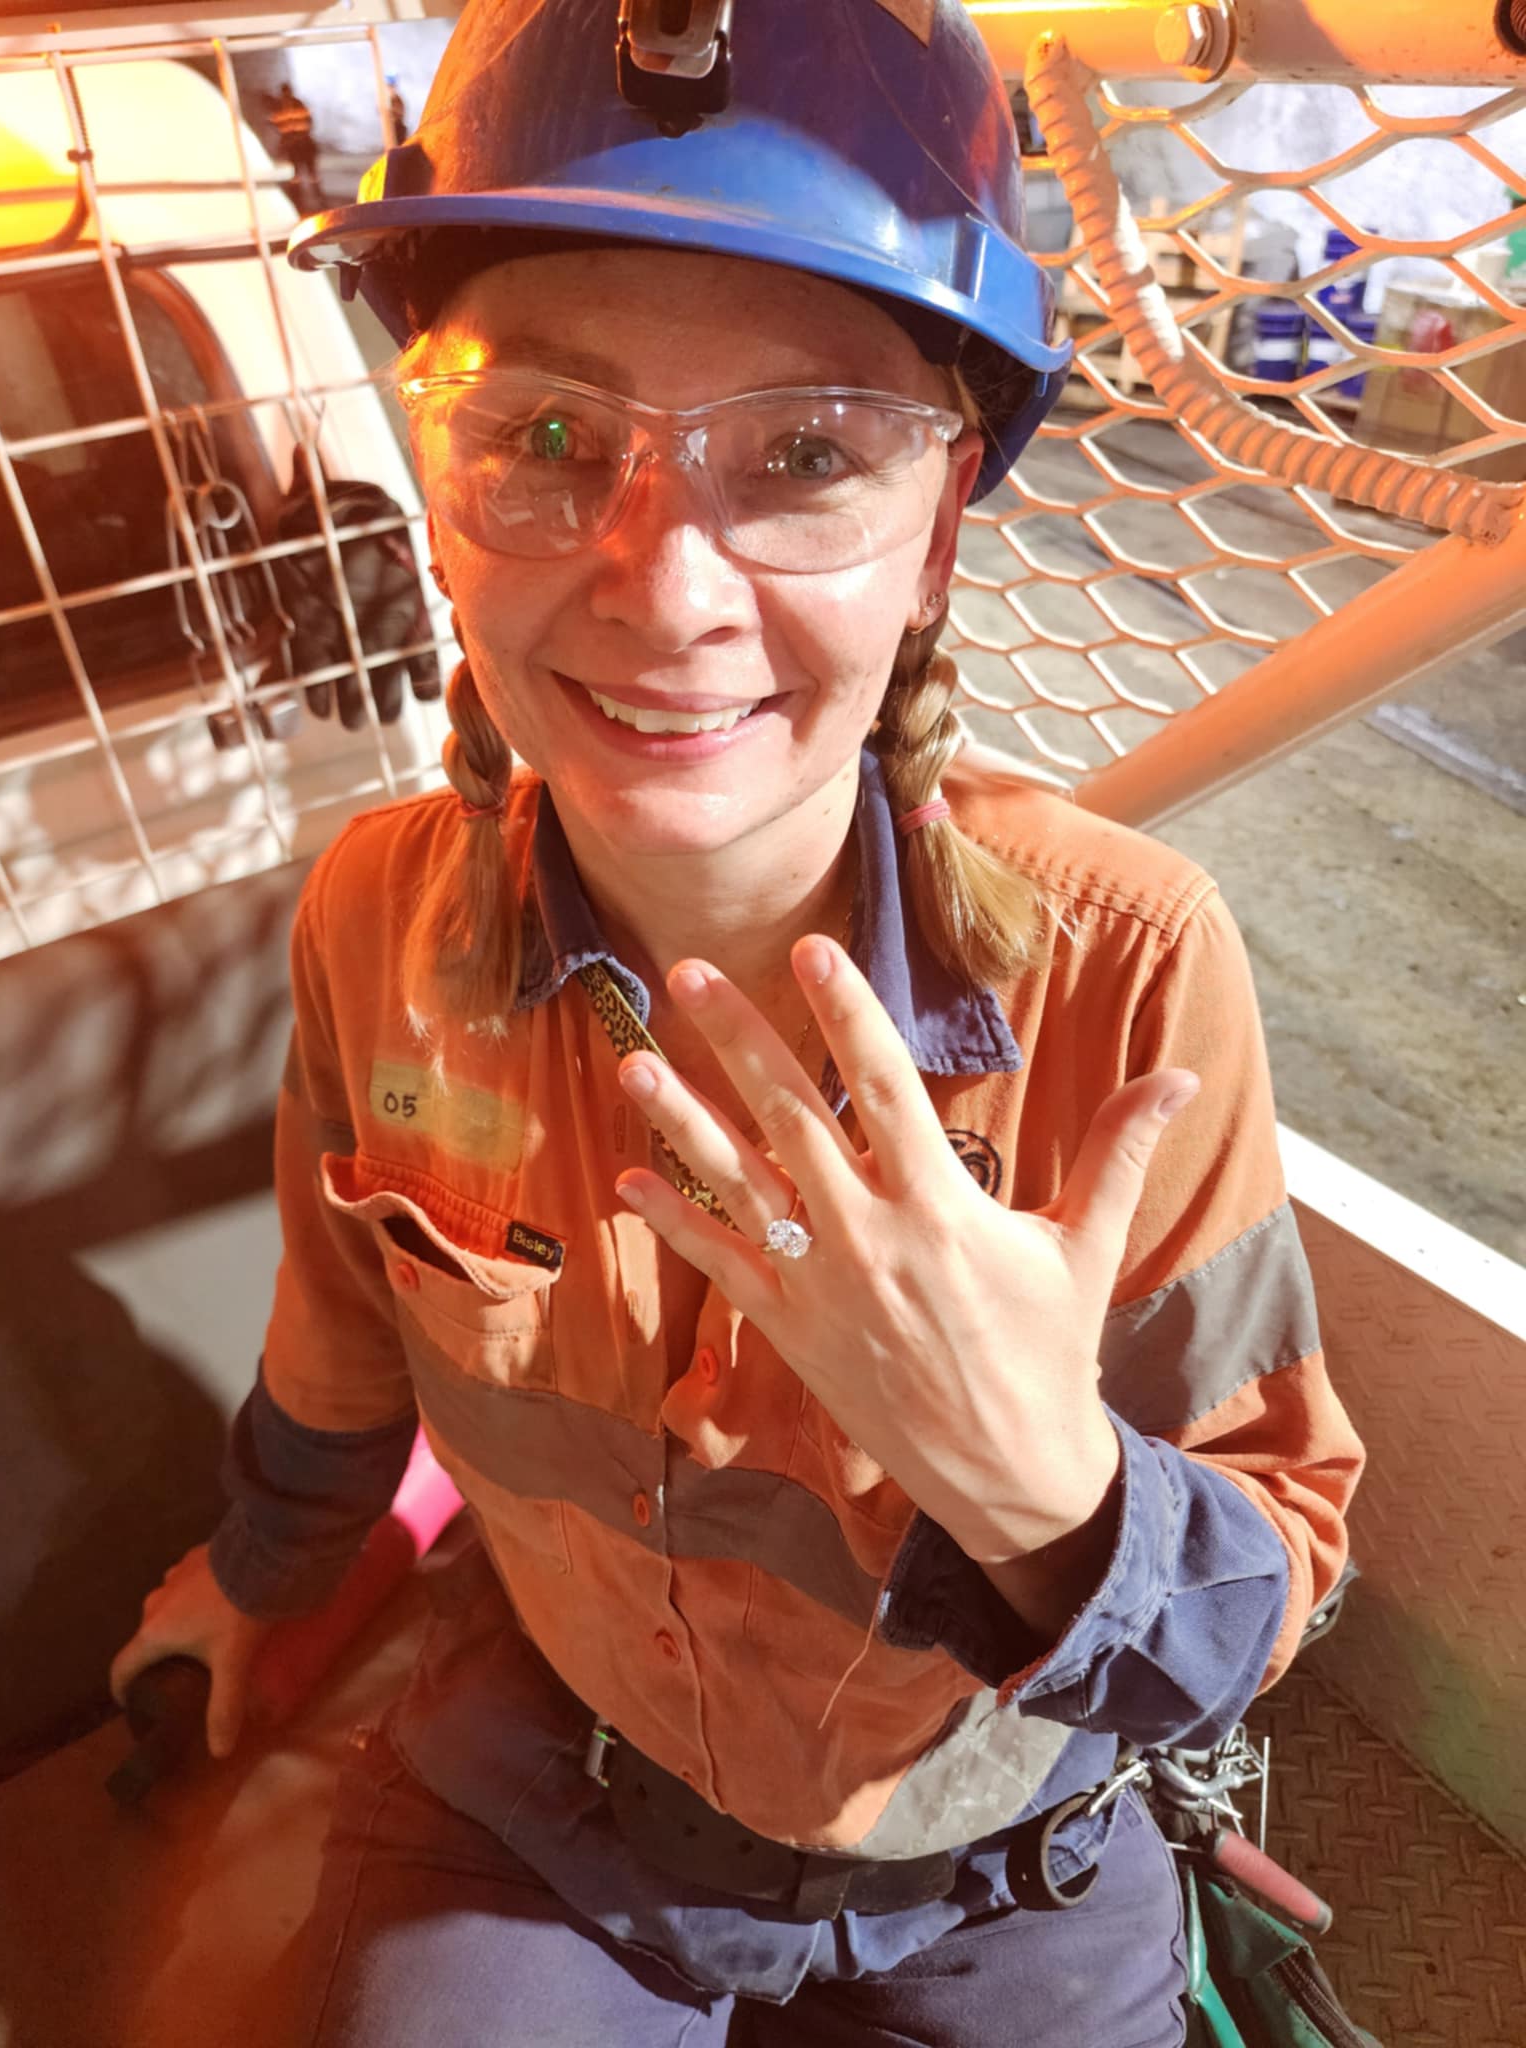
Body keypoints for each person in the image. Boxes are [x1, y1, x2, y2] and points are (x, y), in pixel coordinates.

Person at [112, 3, 1365, 2043]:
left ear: (942, 531)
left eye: (803, 457)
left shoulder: (1124, 976)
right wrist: (260, 1575)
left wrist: (1053, 1495)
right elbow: (344, 1335)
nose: (667, 586)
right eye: (542, 436)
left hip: (1000, 1846)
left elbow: (1270, 1564)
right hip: (555, 1801)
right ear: (437, 489)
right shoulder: (372, 921)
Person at [267, 81, 325, 214]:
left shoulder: (278, 107)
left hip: (292, 145)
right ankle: (319, 200)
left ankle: (299, 204)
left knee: (297, 175)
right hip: (305, 142)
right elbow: (310, 121)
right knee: (311, 173)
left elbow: (275, 123)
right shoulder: (299, 103)